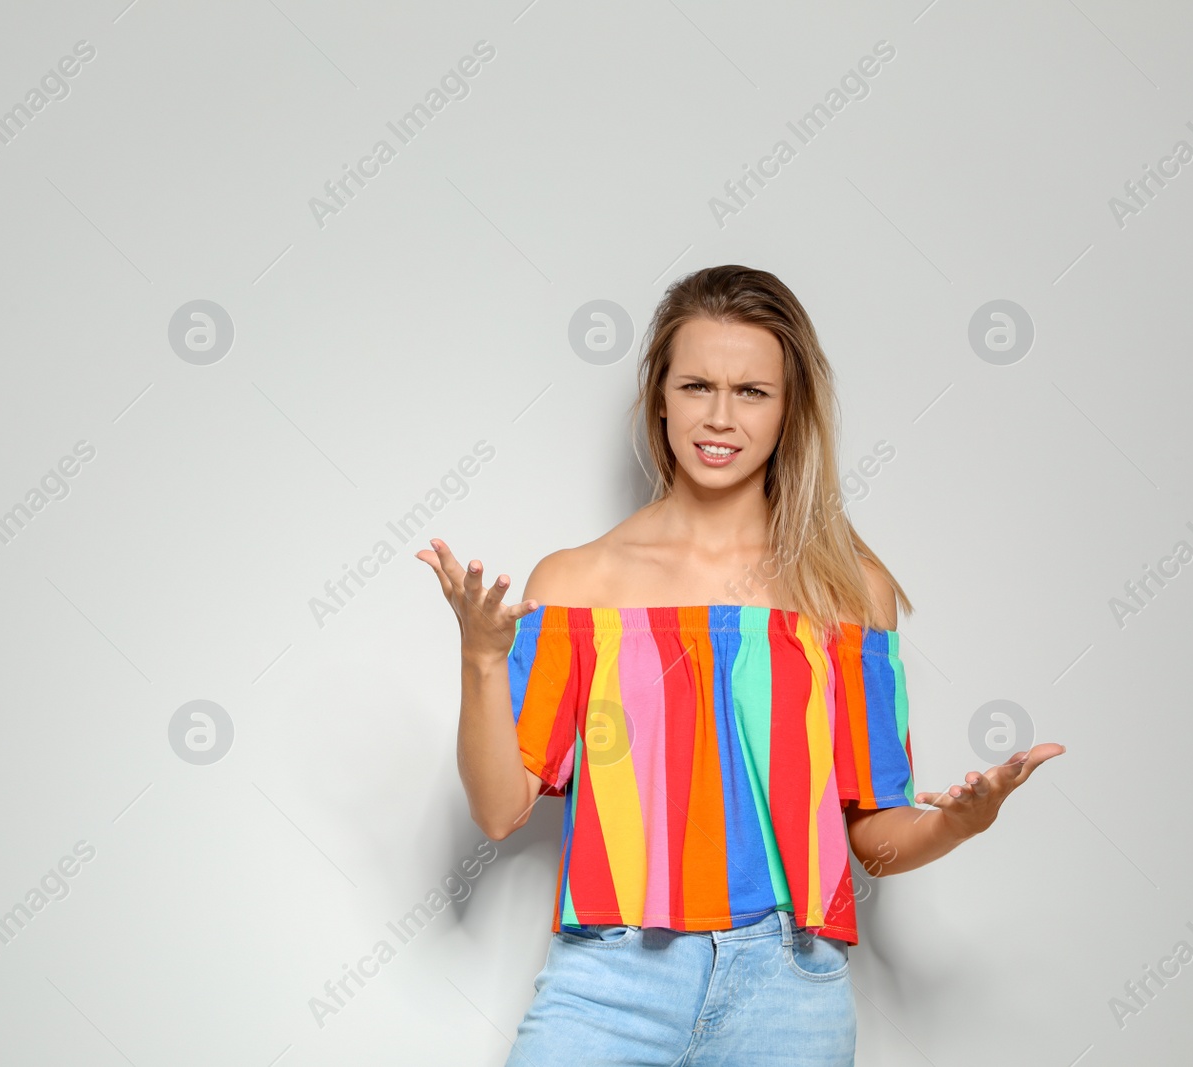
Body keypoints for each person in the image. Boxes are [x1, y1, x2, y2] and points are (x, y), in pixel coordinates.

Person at [417, 265, 1064, 1066]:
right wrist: (482, 660)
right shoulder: (579, 582)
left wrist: (959, 822)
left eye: (752, 391)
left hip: (788, 988)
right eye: (697, 385)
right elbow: (498, 809)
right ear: (660, 396)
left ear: (791, 409)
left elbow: (875, 838)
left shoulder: (849, 589)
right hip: (609, 980)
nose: (719, 417)